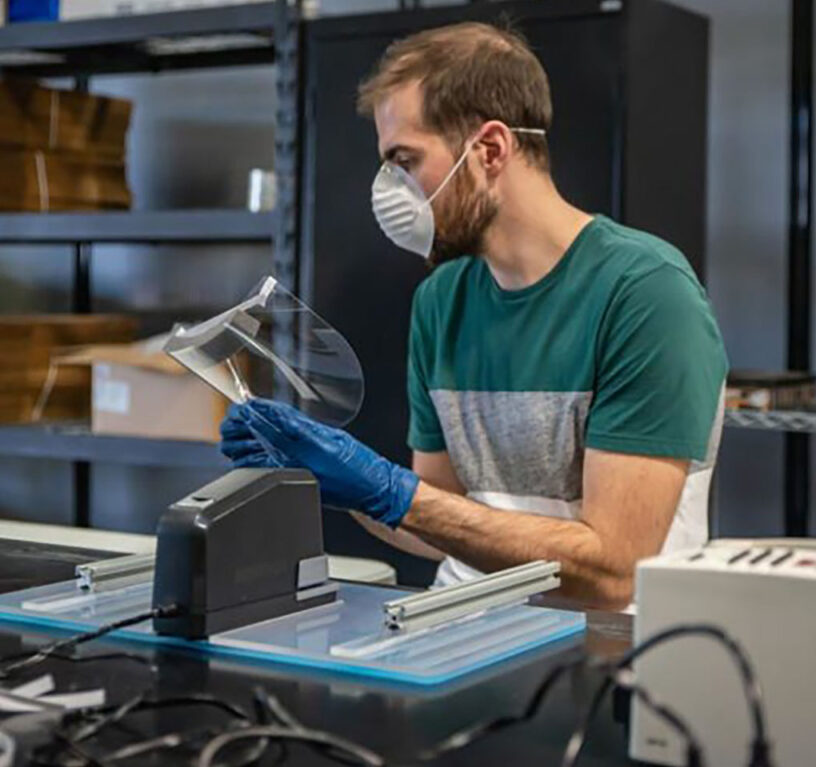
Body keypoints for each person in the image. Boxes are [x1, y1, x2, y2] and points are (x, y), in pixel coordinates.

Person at [220, 21, 727, 611]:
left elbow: (614, 570)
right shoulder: (443, 299)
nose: (389, 189)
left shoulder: (644, 294)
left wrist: (391, 490)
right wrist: (332, 477)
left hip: (608, 648)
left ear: (489, 149)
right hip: (459, 627)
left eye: (404, 160)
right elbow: (438, 525)